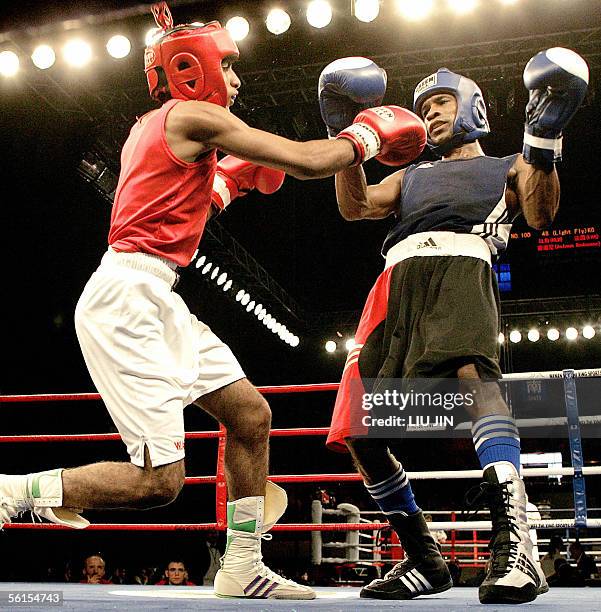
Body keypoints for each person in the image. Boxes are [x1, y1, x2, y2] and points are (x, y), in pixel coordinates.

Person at [0, 1, 426, 601]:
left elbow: (172, 212)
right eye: (226, 66)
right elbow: (307, 162)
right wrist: (364, 134)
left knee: (251, 417)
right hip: (126, 300)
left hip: (155, 295)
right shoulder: (192, 116)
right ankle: (13, 494)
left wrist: (230, 179)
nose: (237, 78)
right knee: (160, 483)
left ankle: (243, 564)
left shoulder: (157, 129)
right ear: (190, 69)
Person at [321, 48, 588, 605]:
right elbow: (355, 207)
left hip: (462, 267)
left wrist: (544, 138)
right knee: (361, 430)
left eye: (442, 102)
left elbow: (540, 215)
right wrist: (348, 141)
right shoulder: (411, 174)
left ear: (473, 107)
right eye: (424, 107)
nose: (432, 113)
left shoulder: (510, 164)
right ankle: (424, 558)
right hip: (395, 285)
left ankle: (518, 546)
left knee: (473, 379)